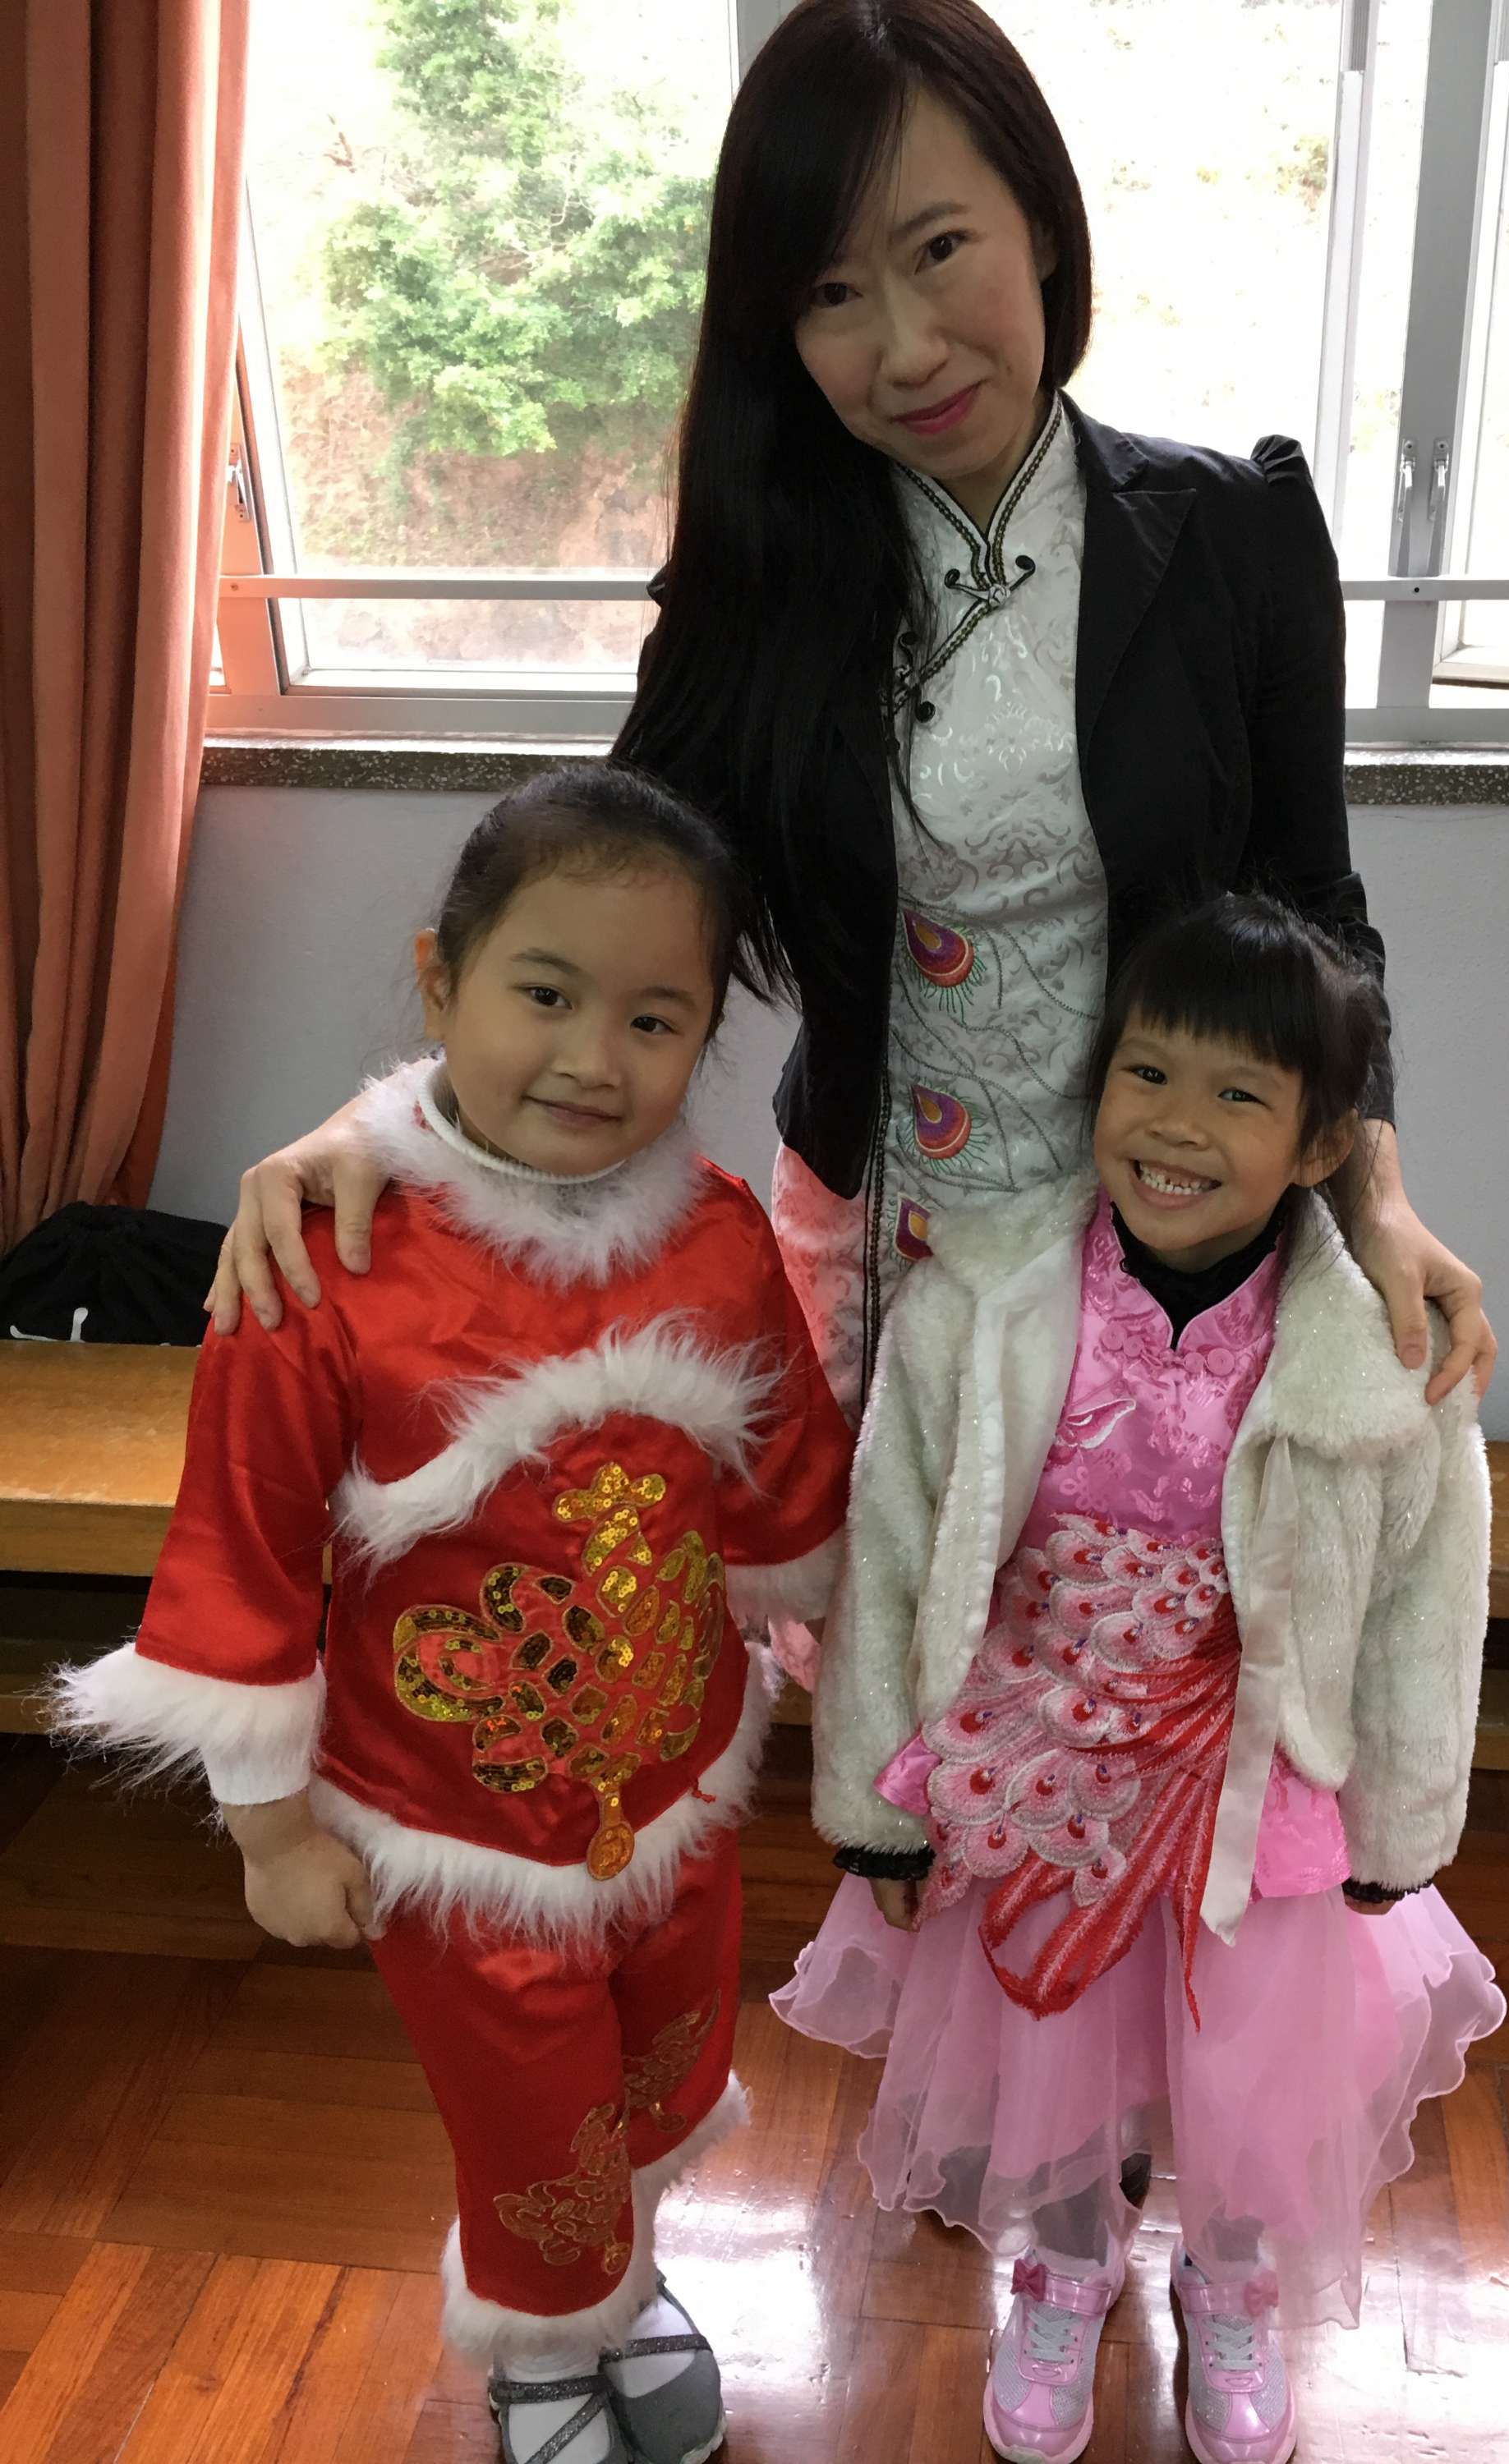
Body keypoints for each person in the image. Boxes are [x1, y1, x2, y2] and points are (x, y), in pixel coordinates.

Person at [207, 0, 1497, 1452]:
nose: (906, 350)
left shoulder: (1235, 536)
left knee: (1115, 1602)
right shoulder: (761, 580)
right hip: (871, 1246)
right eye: (831, 292)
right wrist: (385, 1126)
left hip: (1170, 1241)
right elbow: (600, 891)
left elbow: (1315, 912)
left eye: (938, 250)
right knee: (853, 1582)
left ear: (1041, 221)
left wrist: (1375, 1197)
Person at [57, 763, 854, 2464]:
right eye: (544, 994)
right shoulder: (324, 1261)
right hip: (454, 1823)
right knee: (528, 2106)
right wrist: (271, 1830)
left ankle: (623, 2280)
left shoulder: (719, 1236)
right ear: (441, 981)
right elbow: (240, 1547)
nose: (592, 1058)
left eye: (654, 1020)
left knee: (664, 2059)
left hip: (682, 1786)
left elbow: (785, 1475)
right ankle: (543, 2351)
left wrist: (843, 1668)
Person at [775, 894, 1505, 2464]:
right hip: (1034, 1772)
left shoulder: (1378, 1349)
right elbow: (893, 1543)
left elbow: (1423, 1603)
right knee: (1055, 2053)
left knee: (1245, 2067)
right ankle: (1062, 2264)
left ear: (1321, 1145)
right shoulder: (980, 1298)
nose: (1176, 1126)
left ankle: (1228, 2283)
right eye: (1147, 1074)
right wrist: (872, 1801)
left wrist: (1403, 1824)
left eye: (1238, 1094)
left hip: (1257, 1792)